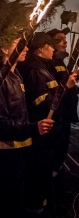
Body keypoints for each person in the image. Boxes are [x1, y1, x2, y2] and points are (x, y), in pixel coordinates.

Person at [0, 34, 54, 218]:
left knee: (16, 203)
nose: (26, 48)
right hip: (3, 158)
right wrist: (33, 128)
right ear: (4, 48)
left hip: (18, 153)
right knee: (4, 206)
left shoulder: (16, 75)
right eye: (19, 44)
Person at [20, 32, 77, 216]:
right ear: (40, 48)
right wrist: (65, 88)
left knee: (45, 176)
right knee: (38, 175)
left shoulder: (44, 67)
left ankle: (46, 204)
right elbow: (43, 103)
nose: (53, 48)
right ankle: (37, 209)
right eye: (50, 45)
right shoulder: (35, 70)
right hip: (41, 135)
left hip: (50, 133)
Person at [46, 27, 79, 211]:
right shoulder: (52, 63)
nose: (64, 42)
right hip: (58, 117)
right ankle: (52, 192)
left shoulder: (61, 62)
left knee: (60, 152)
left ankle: (55, 186)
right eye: (60, 39)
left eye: (65, 39)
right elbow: (58, 87)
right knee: (55, 153)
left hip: (65, 116)